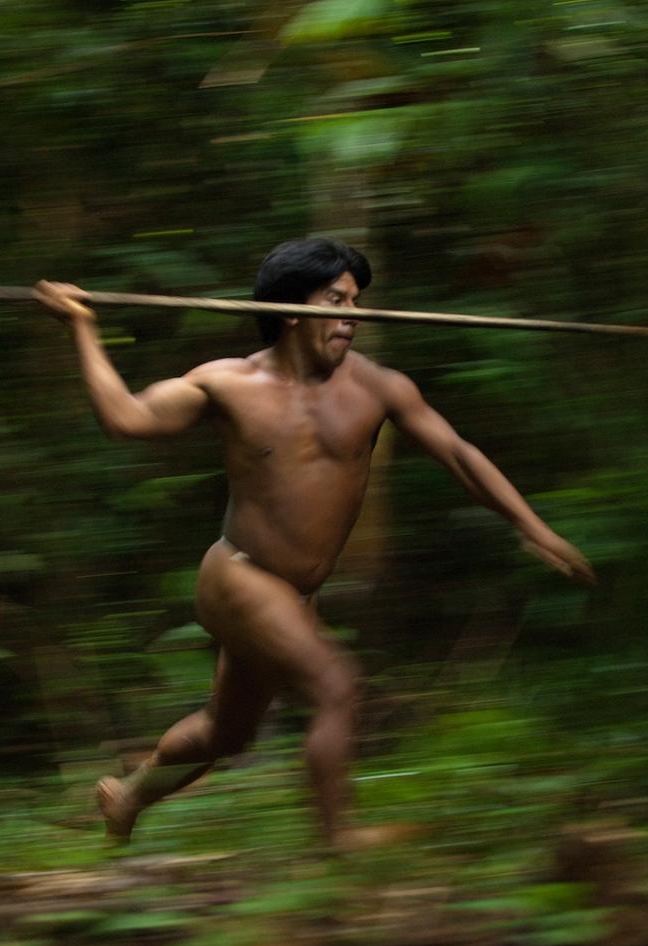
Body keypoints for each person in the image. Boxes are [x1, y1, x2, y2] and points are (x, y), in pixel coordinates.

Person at [35, 237, 594, 849]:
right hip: (239, 575)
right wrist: (83, 327)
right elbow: (126, 417)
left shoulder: (379, 388)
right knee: (336, 685)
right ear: (293, 310)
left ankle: (129, 796)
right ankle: (340, 840)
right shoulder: (228, 384)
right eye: (337, 300)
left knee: (228, 733)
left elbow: (458, 454)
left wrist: (531, 525)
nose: (353, 315)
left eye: (357, 301)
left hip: (296, 591)